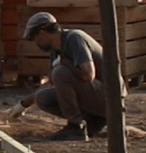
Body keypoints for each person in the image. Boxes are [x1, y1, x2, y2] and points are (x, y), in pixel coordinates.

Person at [17, 11, 107, 141]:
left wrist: (65, 63)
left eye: (34, 38)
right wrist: (23, 104)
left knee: (60, 72)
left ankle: (76, 127)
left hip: (109, 98)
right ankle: (94, 120)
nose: (35, 43)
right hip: (95, 97)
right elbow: (52, 83)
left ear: (42, 33)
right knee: (43, 98)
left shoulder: (74, 38)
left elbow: (88, 75)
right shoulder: (56, 50)